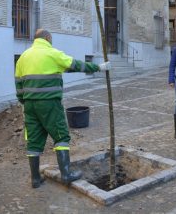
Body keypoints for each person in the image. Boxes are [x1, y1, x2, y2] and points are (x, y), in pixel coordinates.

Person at [15, 29, 111, 188]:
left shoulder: (23, 57)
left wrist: (23, 101)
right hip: (49, 104)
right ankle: (66, 174)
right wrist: (99, 67)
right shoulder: (52, 53)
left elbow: (18, 85)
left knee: (34, 141)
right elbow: (76, 65)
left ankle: (35, 179)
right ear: (47, 38)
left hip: (29, 106)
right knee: (61, 136)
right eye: (50, 39)